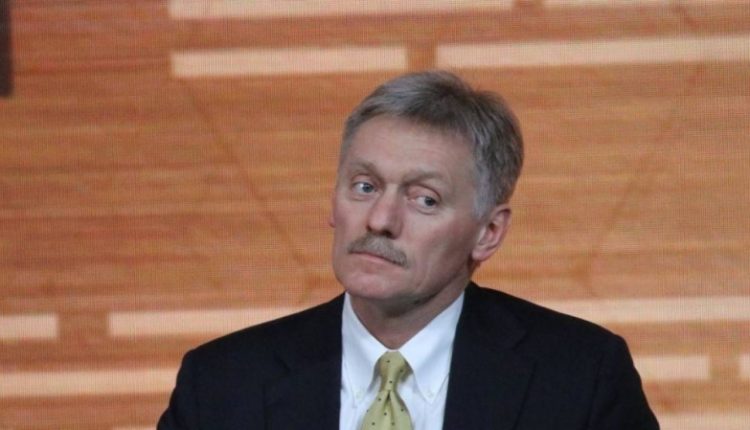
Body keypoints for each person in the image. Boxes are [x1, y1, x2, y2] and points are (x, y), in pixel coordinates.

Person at [158, 71, 659, 430]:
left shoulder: (580, 379)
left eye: (425, 199)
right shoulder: (221, 384)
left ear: (488, 232)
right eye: (365, 186)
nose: (380, 220)